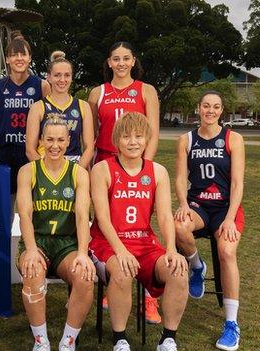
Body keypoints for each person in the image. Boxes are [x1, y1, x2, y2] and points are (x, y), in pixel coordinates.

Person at [89, 112, 188, 351]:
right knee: (123, 271)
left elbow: (164, 216)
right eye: (126, 136)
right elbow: (102, 218)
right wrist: (121, 251)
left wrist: (172, 249)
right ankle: (119, 338)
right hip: (108, 243)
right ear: (116, 140)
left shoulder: (158, 171)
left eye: (138, 136)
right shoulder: (102, 169)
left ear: (147, 140)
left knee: (178, 270)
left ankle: (168, 338)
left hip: (144, 243)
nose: (132, 142)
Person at [88, 41, 162, 323]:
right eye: (116, 58)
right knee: (107, 225)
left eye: (126, 58)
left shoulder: (146, 90)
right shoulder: (98, 93)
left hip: (137, 165)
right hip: (106, 166)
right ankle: (114, 282)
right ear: (109, 62)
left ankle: (148, 297)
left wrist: (146, 168)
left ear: (133, 61)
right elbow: (93, 135)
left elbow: (152, 133)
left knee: (140, 228)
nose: (120, 63)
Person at [173, 91, 245, 351]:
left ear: (221, 111)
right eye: (206, 106)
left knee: (226, 250)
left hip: (226, 207)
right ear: (198, 108)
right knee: (178, 225)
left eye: (215, 107)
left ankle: (231, 323)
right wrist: (182, 204)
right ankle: (196, 265)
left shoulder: (233, 139)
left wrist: (229, 219)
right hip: (198, 205)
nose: (210, 111)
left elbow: (237, 183)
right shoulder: (186, 139)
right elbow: (181, 178)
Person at [16, 118, 95, 351]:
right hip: (37, 240)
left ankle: (67, 341)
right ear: (41, 141)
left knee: (84, 275)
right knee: (32, 271)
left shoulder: (79, 173)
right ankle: (41, 341)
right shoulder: (27, 171)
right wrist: (30, 250)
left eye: (61, 140)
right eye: (49, 139)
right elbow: (25, 216)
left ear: (69, 141)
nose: (54, 145)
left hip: (66, 244)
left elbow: (82, 217)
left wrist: (82, 253)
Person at [0, 31, 50, 202]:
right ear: (7, 59)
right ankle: (6, 229)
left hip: (30, 150)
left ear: (30, 57)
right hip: (5, 149)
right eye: (14, 55)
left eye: (23, 54)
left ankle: (30, 230)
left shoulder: (42, 85)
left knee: (30, 198)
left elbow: (46, 118)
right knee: (5, 198)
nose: (19, 58)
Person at [25, 50, 94, 169]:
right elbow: (30, 150)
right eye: (57, 75)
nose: (62, 80)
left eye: (67, 75)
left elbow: (89, 148)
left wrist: (76, 172)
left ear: (72, 77)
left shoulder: (83, 106)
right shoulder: (37, 107)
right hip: (46, 165)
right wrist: (46, 173)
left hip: (75, 166)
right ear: (49, 77)